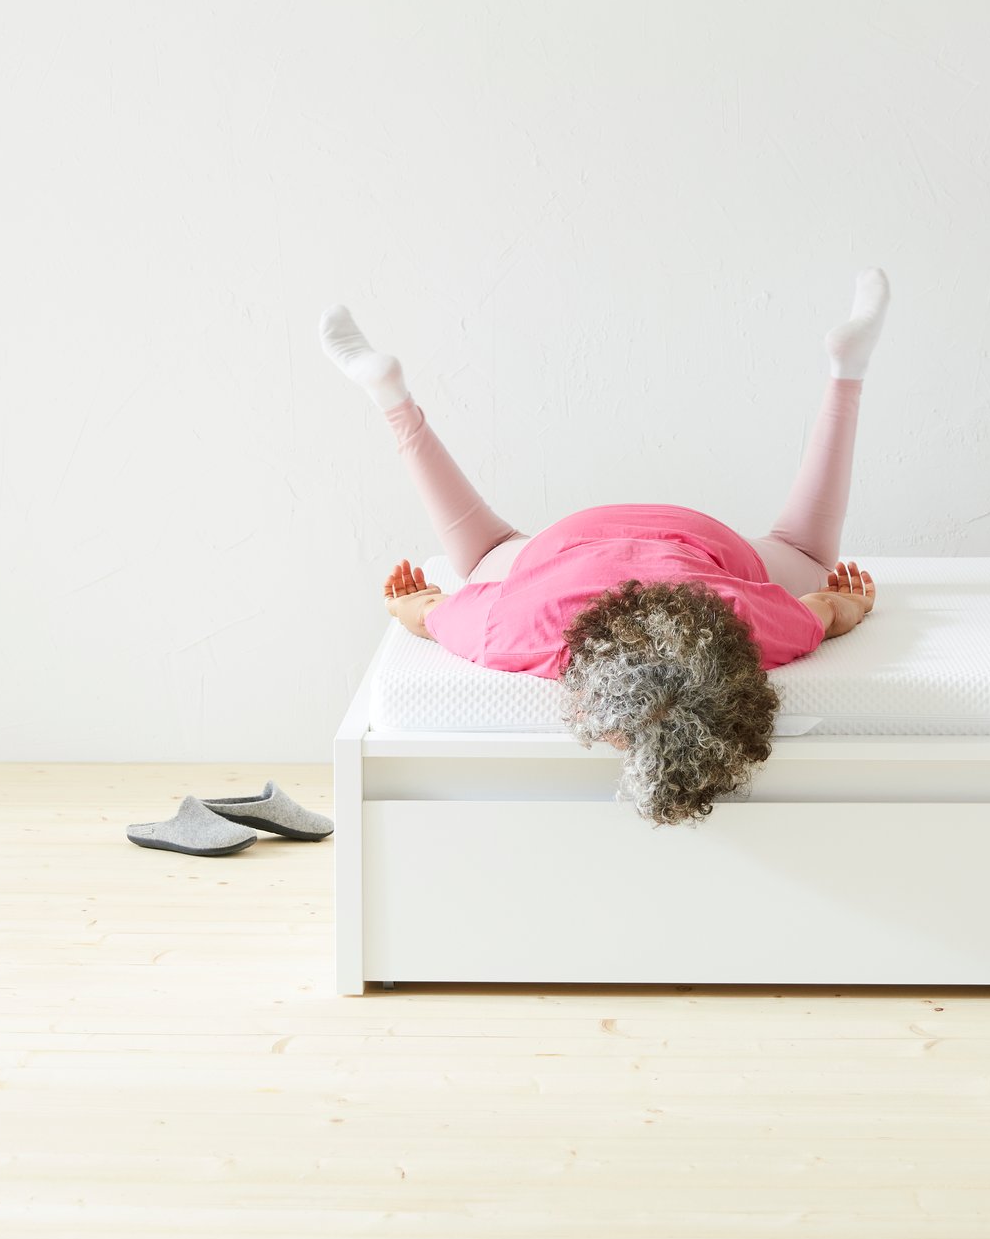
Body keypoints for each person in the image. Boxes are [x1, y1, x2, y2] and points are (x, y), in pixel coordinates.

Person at [320, 270, 888, 826]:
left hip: (672, 533)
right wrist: (406, 605)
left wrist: (852, 605)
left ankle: (847, 372)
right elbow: (436, 613)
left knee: (806, 553)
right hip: (567, 545)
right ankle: (392, 398)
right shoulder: (525, 634)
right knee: (483, 552)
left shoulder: (746, 629)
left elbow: (823, 612)